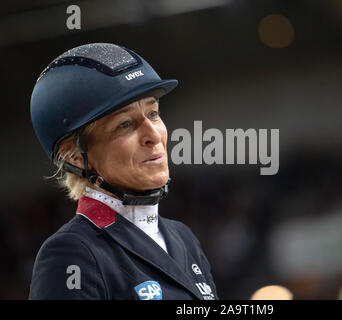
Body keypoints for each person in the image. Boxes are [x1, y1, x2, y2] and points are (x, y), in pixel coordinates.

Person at [28, 43, 218, 300]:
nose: (153, 135)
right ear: (75, 155)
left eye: (153, 113)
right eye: (125, 124)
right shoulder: (71, 254)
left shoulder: (184, 238)